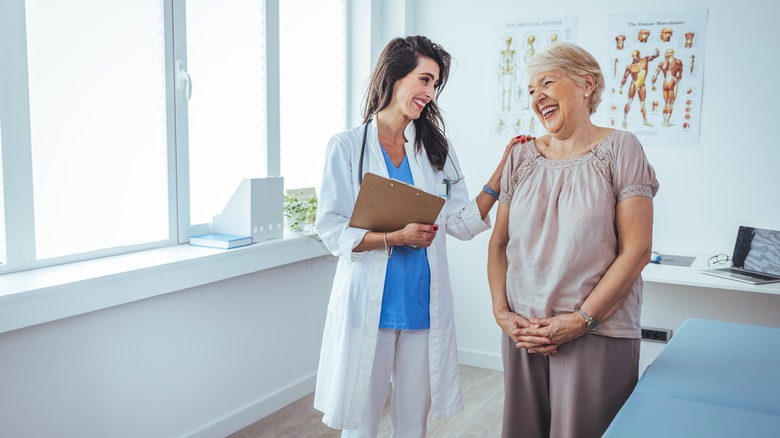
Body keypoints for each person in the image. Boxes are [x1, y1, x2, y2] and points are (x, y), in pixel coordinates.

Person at [314, 35, 526, 437]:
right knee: (361, 421)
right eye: (424, 79)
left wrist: (502, 169)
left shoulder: (434, 149)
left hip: (420, 306)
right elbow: (331, 228)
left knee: (413, 425)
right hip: (369, 307)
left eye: (435, 83)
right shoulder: (346, 147)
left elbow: (462, 223)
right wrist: (394, 237)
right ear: (395, 76)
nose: (430, 92)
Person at [487, 42, 659, 438]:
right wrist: (502, 314)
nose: (537, 97)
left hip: (597, 332)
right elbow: (499, 244)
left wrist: (581, 320)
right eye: (531, 90)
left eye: (547, 82)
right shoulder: (520, 157)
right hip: (524, 334)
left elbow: (637, 250)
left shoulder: (621, 148)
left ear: (586, 84)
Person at [620, 48, 661, 128]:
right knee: (629, 101)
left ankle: (645, 121)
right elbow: (625, 77)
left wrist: (657, 53)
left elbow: (653, 57)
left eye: (636, 55)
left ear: (639, 55)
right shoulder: (630, 67)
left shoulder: (645, 60)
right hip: (634, 83)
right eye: (633, 56)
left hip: (642, 84)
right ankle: (624, 120)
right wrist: (621, 87)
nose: (635, 57)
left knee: (643, 103)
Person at [652, 48, 684, 127]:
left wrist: (653, 84)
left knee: (666, 103)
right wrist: (677, 81)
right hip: (672, 80)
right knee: (671, 103)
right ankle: (666, 122)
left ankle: (665, 121)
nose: (665, 54)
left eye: (667, 53)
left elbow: (656, 74)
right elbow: (680, 73)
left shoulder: (662, 63)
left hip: (665, 81)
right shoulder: (678, 62)